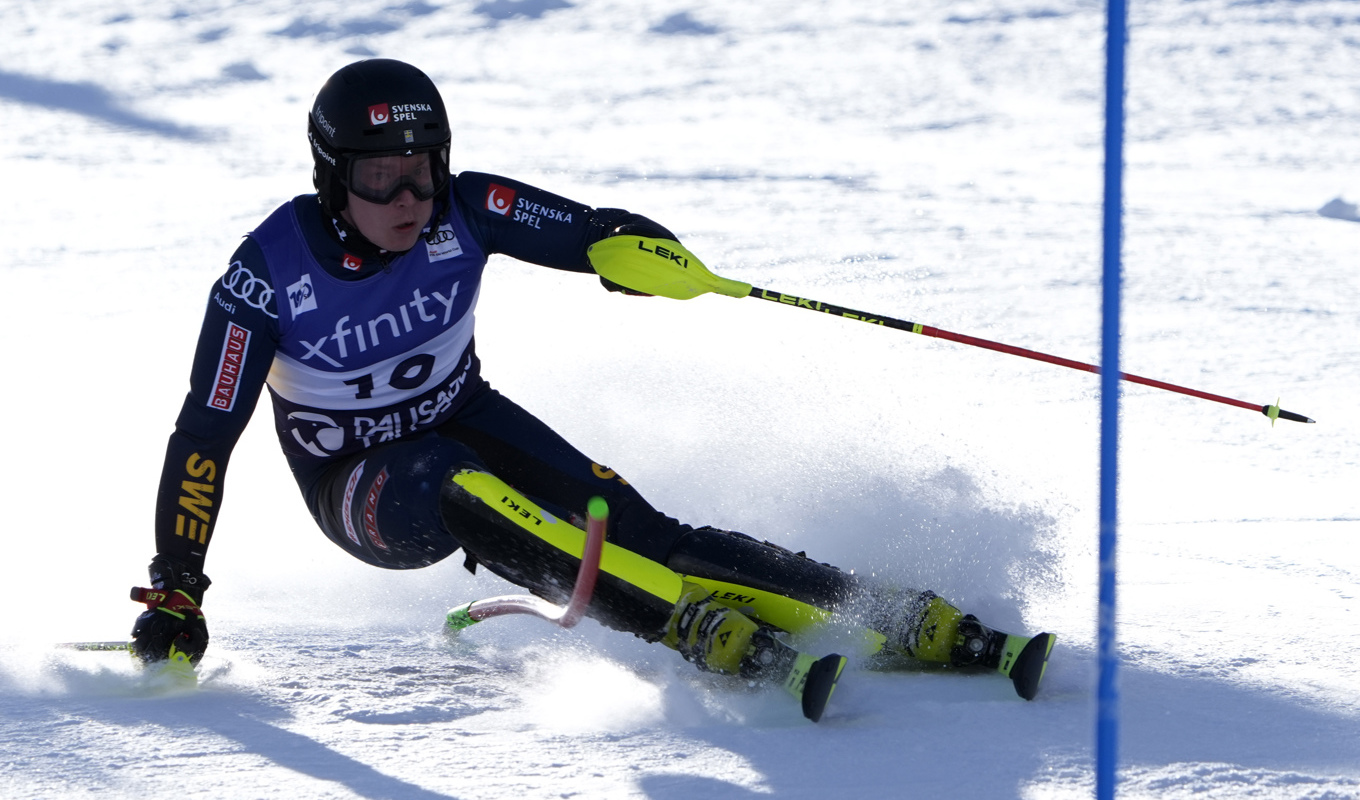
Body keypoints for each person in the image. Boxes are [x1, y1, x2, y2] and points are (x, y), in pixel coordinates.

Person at [130, 58, 1051, 719]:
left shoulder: (467, 208)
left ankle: (889, 610)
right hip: (364, 490)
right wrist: (180, 587)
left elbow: (588, 232)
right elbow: (203, 438)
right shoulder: (266, 274)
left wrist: (642, 256)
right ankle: (683, 626)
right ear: (333, 180)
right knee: (448, 475)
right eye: (381, 179)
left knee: (643, 528)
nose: (409, 199)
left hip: (464, 416)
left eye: (422, 170)